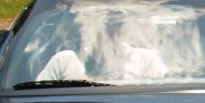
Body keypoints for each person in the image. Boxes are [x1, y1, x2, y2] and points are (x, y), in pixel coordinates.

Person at [36, 11, 166, 82]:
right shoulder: (65, 61)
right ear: (85, 27)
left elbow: (163, 102)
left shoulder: (145, 59)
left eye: (117, 23)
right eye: (105, 22)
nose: (110, 30)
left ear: (125, 27)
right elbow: (35, 102)